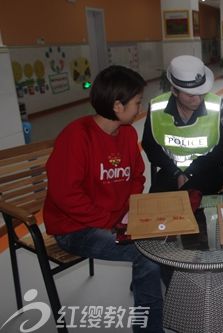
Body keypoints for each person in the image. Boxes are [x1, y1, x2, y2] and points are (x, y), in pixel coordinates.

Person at [43, 65, 164, 333]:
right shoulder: (76, 136)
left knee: (163, 237)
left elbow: (137, 177)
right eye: (137, 102)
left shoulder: (128, 133)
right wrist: (111, 220)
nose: (139, 106)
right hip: (75, 228)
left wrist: (130, 211)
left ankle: (151, 299)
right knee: (147, 254)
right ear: (118, 106)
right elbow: (66, 196)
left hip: (115, 219)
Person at [142, 55, 223, 195]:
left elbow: (222, 149)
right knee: (157, 204)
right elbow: (150, 147)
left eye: (201, 92)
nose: (198, 99)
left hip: (208, 170)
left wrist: (189, 172)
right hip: (170, 170)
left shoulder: (218, 106)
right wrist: (176, 172)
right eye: (190, 95)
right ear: (174, 91)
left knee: (190, 198)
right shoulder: (156, 107)